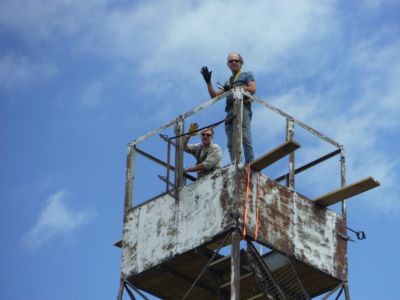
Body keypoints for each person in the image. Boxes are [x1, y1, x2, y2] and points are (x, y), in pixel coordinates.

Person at [200, 52, 256, 164]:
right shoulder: (229, 81)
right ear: (228, 64)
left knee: (245, 136)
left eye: (236, 60)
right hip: (230, 111)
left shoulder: (247, 75)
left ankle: (250, 163)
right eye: (231, 61)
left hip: (242, 107)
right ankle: (235, 163)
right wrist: (208, 82)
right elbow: (214, 96)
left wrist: (235, 87)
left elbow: (253, 89)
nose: (234, 62)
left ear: (241, 63)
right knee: (231, 141)